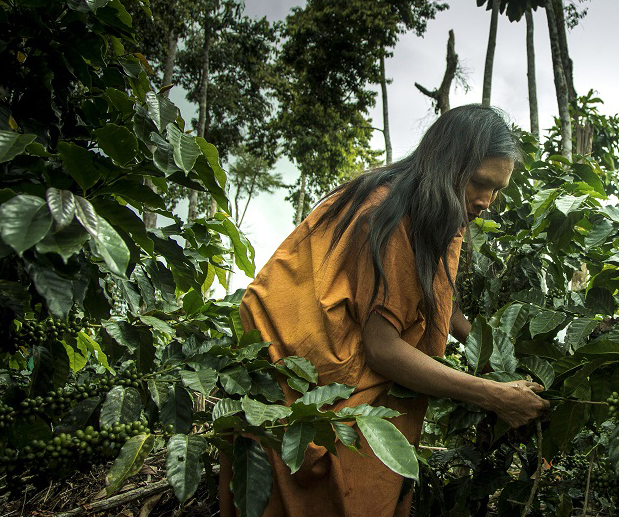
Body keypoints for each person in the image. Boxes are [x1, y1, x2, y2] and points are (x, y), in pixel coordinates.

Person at [220, 105, 551, 517]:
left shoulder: (442, 207)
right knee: (343, 494)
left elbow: (434, 298)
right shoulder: (393, 213)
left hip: (332, 364)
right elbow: (383, 349)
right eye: (479, 184)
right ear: (448, 164)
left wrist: (492, 349)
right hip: (300, 372)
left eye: (497, 189)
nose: (486, 200)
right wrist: (492, 395)